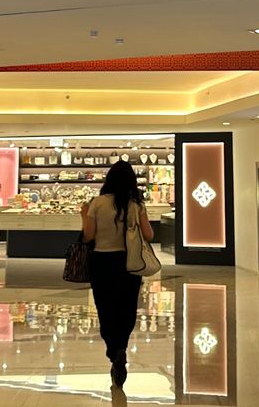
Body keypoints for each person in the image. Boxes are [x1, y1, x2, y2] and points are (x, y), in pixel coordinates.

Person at [80, 161, 155, 389]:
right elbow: (149, 235)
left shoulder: (97, 203)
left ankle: (114, 351)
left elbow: (88, 236)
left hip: (102, 262)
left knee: (105, 308)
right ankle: (121, 346)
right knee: (126, 307)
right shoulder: (136, 205)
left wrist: (84, 216)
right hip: (129, 263)